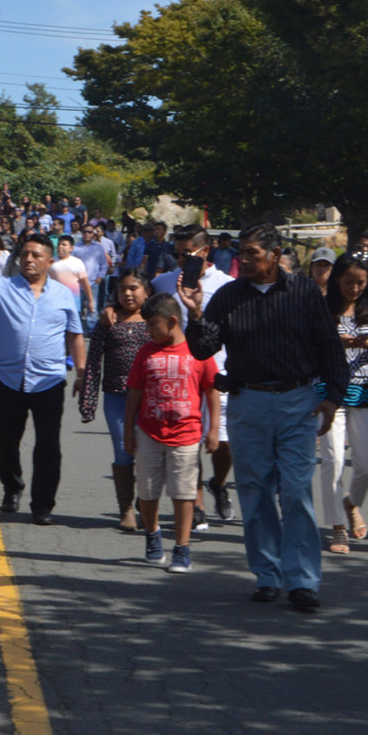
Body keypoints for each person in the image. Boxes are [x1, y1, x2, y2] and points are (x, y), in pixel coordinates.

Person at [181, 223, 346, 611]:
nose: (245, 260)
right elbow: (204, 349)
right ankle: (267, 574)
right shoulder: (228, 296)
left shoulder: (304, 292)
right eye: (242, 253)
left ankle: (303, 580)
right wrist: (195, 313)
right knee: (254, 491)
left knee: (296, 490)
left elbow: (328, 346)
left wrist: (332, 397)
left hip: (297, 401)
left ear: (274, 255)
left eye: (253, 253)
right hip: (248, 402)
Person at [0, 232, 86, 525]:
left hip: (49, 382)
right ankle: (12, 486)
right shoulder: (3, 287)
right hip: (8, 379)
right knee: (5, 440)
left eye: (36, 255)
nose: (29, 259)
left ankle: (42, 505)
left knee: (48, 445)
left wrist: (82, 373)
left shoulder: (63, 295)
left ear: (49, 261)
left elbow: (75, 336)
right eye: (25, 254)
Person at [124, 293, 219, 572]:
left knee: (183, 493)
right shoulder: (146, 352)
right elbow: (134, 393)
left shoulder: (197, 351)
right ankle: (152, 534)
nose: (148, 330)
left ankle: (181, 547)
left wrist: (213, 429)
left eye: (152, 324)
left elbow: (212, 390)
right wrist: (128, 430)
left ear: (172, 321)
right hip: (149, 432)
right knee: (148, 491)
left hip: (186, 435)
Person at [151, 224, 236, 524]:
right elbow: (141, 310)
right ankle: (196, 502)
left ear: (206, 251)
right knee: (189, 443)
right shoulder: (163, 283)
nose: (182, 262)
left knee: (223, 442)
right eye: (177, 255)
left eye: (188, 255)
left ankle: (219, 484)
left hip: (219, 372)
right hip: (181, 376)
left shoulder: (228, 285)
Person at [316, 254, 368, 554]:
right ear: (337, 281)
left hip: (365, 390)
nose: (355, 288)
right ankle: (337, 527)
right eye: (349, 282)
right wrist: (336, 343)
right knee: (332, 461)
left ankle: (352, 503)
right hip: (330, 390)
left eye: (361, 282)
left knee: (367, 466)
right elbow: (310, 347)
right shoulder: (322, 306)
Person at [79, 270, 152, 531]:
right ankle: (126, 508)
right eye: (123, 289)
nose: (128, 294)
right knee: (123, 449)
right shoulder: (108, 321)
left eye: (134, 288)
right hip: (116, 398)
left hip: (150, 398)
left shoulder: (156, 320)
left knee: (147, 453)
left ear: (147, 291)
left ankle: (146, 504)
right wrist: (88, 401)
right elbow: (93, 362)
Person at [48, 234, 94, 323]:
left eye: (64, 245)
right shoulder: (51, 262)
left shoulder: (77, 263)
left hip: (73, 303)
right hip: (54, 302)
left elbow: (85, 283)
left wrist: (90, 301)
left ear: (71, 248)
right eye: (59, 245)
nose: (60, 247)